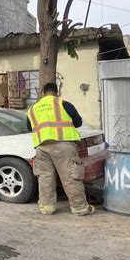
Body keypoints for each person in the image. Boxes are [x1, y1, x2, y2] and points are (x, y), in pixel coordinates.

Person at [27, 82, 94, 216]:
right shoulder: (63, 104)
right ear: (56, 92)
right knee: (70, 177)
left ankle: (47, 208)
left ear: (43, 93)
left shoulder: (32, 109)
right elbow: (78, 122)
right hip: (64, 146)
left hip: (42, 147)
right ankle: (79, 208)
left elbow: (30, 128)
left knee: (45, 178)